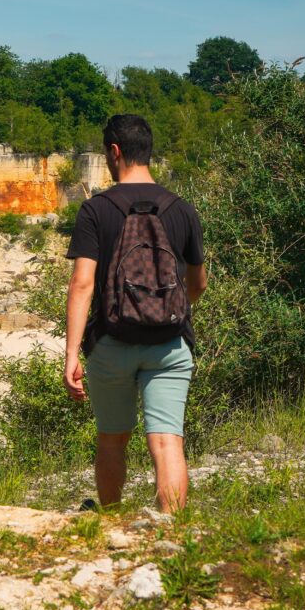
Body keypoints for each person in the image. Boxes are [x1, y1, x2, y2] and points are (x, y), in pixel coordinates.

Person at [64, 114, 207, 513]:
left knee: (112, 438)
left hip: (111, 343)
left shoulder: (96, 210)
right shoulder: (182, 210)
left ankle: (109, 519)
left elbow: (82, 284)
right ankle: (171, 532)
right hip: (169, 344)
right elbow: (197, 283)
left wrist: (72, 353)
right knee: (166, 441)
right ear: (149, 150)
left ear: (114, 152)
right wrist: (166, 312)